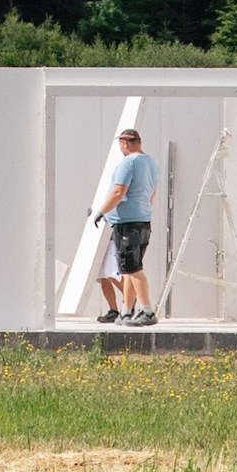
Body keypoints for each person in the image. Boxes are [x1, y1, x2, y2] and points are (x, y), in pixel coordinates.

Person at [92, 127, 159, 325]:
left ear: (125, 143)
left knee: (133, 268)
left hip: (127, 224)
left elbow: (118, 193)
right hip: (143, 221)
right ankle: (126, 311)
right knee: (129, 269)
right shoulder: (152, 163)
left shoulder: (128, 163)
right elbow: (152, 194)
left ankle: (147, 311)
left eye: (120, 144)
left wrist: (101, 211)